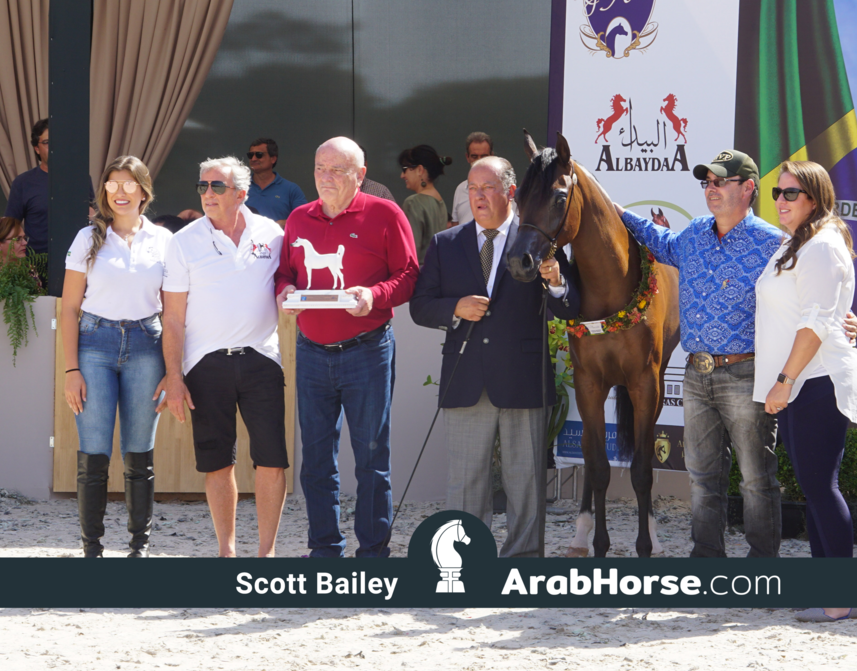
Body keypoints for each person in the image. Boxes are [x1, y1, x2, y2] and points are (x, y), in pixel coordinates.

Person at [615, 150, 857, 558]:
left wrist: (849, 320)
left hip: (749, 373)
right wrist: (613, 207)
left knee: (756, 479)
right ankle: (706, 559)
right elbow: (657, 240)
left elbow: (819, 295)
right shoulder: (692, 234)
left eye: (720, 182)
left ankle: (762, 563)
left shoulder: (777, 242)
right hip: (696, 374)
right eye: (706, 182)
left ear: (747, 188)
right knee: (701, 476)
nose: (710, 189)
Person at [410, 156, 580, 558]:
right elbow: (420, 306)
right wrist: (455, 307)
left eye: (487, 188)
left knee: (526, 482)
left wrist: (556, 283)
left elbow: (569, 307)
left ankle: (522, 563)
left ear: (510, 192)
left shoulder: (538, 239)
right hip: (465, 379)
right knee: (466, 483)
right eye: (472, 188)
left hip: (523, 380)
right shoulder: (445, 243)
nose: (479, 196)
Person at [274, 137, 418, 558]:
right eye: (320, 167)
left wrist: (374, 296)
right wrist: (284, 293)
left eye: (338, 169)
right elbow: (285, 273)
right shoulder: (299, 219)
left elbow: (408, 275)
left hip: (367, 350)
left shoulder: (386, 213)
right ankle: (324, 550)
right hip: (313, 350)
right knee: (316, 459)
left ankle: (373, 553)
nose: (326, 177)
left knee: (372, 458)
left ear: (360, 173)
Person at [161, 156, 288, 558]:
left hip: (262, 359)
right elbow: (174, 319)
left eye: (217, 186)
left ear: (242, 193)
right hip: (205, 363)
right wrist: (174, 377)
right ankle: (226, 552)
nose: (208, 194)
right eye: (202, 186)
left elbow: (291, 283)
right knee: (218, 462)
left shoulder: (272, 233)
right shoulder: (183, 241)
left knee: (272, 459)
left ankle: (266, 553)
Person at [754, 160, 857, 622]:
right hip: (803, 381)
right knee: (816, 488)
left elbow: (816, 322)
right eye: (777, 193)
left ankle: (840, 601)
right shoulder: (796, 245)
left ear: (814, 199)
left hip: (813, 380)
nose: (781, 201)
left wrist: (785, 380)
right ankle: (829, 592)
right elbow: (823, 310)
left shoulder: (820, 246)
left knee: (821, 487)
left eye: (791, 194)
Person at [60, 156, 172, 557]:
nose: (120, 192)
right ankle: (92, 549)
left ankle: (138, 548)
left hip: (147, 343)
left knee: (139, 451)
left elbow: (176, 311)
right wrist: (71, 369)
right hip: (94, 344)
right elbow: (69, 308)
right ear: (104, 191)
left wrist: (173, 372)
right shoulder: (87, 239)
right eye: (112, 184)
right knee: (93, 451)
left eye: (129, 184)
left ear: (144, 191)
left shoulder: (164, 241)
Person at [4, 118, 96, 254]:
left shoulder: (81, 178)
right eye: (47, 142)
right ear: (36, 149)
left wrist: (92, 215)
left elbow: (94, 217)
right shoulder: (23, 182)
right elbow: (11, 227)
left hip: (78, 259)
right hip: (37, 264)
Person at [398, 145, 451, 264]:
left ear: (420, 170)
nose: (402, 175)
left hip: (418, 276)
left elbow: (410, 252)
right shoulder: (439, 200)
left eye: (405, 169)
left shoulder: (413, 202)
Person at [246, 137, 307, 226]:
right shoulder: (239, 187)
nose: (253, 159)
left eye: (259, 155)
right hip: (244, 239)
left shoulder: (291, 189)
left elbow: (304, 219)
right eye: (250, 155)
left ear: (273, 159)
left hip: (279, 239)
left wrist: (281, 224)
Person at [450, 132, 493, 227]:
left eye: (483, 156)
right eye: (474, 156)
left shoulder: (502, 189)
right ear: (467, 158)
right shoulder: (460, 189)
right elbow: (455, 226)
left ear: (492, 156)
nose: (479, 161)